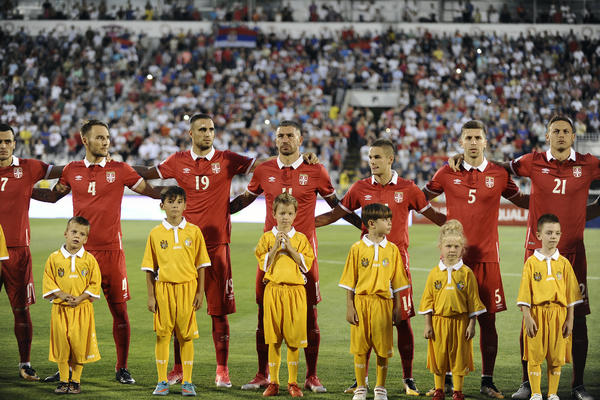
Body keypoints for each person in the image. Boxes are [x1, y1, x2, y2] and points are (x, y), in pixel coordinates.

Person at [134, 113, 316, 387]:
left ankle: (222, 369)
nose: (208, 134)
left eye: (211, 129)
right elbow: (150, 173)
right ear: (190, 134)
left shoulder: (228, 159)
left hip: (217, 244)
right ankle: (178, 368)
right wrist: (117, 167)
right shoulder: (177, 161)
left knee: (218, 311)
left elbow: (266, 165)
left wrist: (303, 158)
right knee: (178, 311)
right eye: (202, 129)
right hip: (182, 246)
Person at [230, 120, 362, 393]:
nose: (285, 139)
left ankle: (311, 375)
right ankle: (262, 373)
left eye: (290, 135)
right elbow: (244, 199)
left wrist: (362, 225)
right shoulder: (264, 169)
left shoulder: (316, 170)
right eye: (281, 136)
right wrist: (216, 211)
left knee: (310, 314)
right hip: (270, 253)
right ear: (275, 140)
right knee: (263, 313)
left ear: (300, 140)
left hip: (304, 254)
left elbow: (337, 206)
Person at [32, 119, 161, 384]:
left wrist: (179, 193)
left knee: (120, 312)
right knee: (70, 313)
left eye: (107, 137)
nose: (105, 142)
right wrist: (24, 191)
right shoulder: (71, 170)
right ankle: (65, 367)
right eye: (100, 137)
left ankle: (122, 368)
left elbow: (150, 191)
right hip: (79, 256)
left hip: (113, 252)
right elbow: (54, 196)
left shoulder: (120, 169)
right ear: (85, 140)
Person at [315, 138, 446, 395]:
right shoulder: (360, 187)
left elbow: (433, 216)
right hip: (367, 265)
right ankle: (361, 380)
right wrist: (303, 225)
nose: (372, 161)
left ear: (390, 159)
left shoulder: (408, 189)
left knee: (402, 320)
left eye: (377, 157)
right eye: (370, 157)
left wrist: (460, 227)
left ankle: (408, 378)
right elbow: (336, 214)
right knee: (365, 324)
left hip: (397, 262)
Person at [424, 120, 528, 398]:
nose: (472, 142)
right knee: (448, 318)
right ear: (461, 142)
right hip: (453, 259)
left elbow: (522, 201)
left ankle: (487, 381)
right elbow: (420, 198)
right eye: (468, 137)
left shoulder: (499, 173)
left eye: (477, 137)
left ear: (485, 141)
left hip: (487, 258)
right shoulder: (447, 171)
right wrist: (443, 223)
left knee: (488, 320)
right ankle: (445, 378)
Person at [507, 115, 599, 400]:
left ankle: (578, 385)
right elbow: (500, 172)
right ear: (547, 136)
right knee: (529, 316)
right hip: (535, 252)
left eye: (566, 131)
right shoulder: (532, 161)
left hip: (573, 253)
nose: (560, 135)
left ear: (573, 137)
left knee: (579, 318)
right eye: (555, 131)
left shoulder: (589, 163)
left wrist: (590, 212)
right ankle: (526, 383)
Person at [0, 122, 65, 381]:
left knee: (21, 310)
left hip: (17, 252)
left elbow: (61, 171)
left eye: (7, 141)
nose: (2, 146)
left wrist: (69, 182)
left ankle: (24, 363)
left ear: (15, 143)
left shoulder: (28, 168)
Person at [142, 186, 210, 396]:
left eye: (179, 201)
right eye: (171, 202)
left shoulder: (194, 231)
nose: (175, 205)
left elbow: (202, 265)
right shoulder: (155, 233)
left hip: (188, 289)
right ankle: (162, 380)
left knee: (186, 336)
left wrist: (200, 293)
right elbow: (149, 268)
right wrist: (151, 296)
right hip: (163, 289)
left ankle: (187, 382)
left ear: (185, 205)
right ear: (162, 206)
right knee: (163, 335)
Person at [339, 203, 410, 400]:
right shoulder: (357, 248)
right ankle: (361, 387)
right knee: (360, 348)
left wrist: (397, 307)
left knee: (383, 349)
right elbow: (349, 282)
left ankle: (380, 388)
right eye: (385, 220)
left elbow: (397, 282)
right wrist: (349, 306)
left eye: (390, 219)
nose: (390, 223)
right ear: (371, 223)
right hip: (361, 303)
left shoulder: (393, 249)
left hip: (384, 305)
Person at [419, 219, 487, 400]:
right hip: (439, 322)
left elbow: (473, 301)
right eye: (448, 246)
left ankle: (458, 391)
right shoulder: (434, 273)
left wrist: (472, 324)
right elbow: (428, 301)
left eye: (456, 246)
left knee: (459, 357)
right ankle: (439, 389)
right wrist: (427, 324)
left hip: (461, 321)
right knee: (439, 357)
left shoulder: (466, 273)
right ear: (440, 248)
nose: (452, 250)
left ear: (462, 249)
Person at [517, 214, 582, 400]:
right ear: (539, 235)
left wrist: (570, 319)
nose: (553, 236)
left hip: (559, 315)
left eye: (557, 233)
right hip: (536, 314)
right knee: (534, 356)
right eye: (549, 233)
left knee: (556, 357)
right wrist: (527, 317)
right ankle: (536, 394)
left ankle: (552, 394)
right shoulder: (531, 262)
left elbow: (571, 295)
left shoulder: (564, 263)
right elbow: (525, 293)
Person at [255, 193, 314, 398]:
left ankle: (293, 382)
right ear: (274, 214)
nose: (285, 217)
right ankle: (274, 382)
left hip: (295, 292)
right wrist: (274, 248)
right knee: (273, 340)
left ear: (295, 215)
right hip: (273, 291)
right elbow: (263, 264)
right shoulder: (266, 238)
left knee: (293, 340)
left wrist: (289, 247)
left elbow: (306, 265)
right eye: (282, 213)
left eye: (289, 213)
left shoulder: (301, 239)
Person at [42, 216, 102, 395]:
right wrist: (62, 295)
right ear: (65, 233)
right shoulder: (53, 258)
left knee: (78, 345)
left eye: (82, 234)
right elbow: (48, 281)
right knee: (62, 345)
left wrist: (81, 298)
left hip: (82, 310)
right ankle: (63, 380)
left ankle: (75, 381)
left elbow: (94, 283)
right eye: (74, 232)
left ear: (86, 239)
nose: (77, 236)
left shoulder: (90, 260)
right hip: (60, 309)